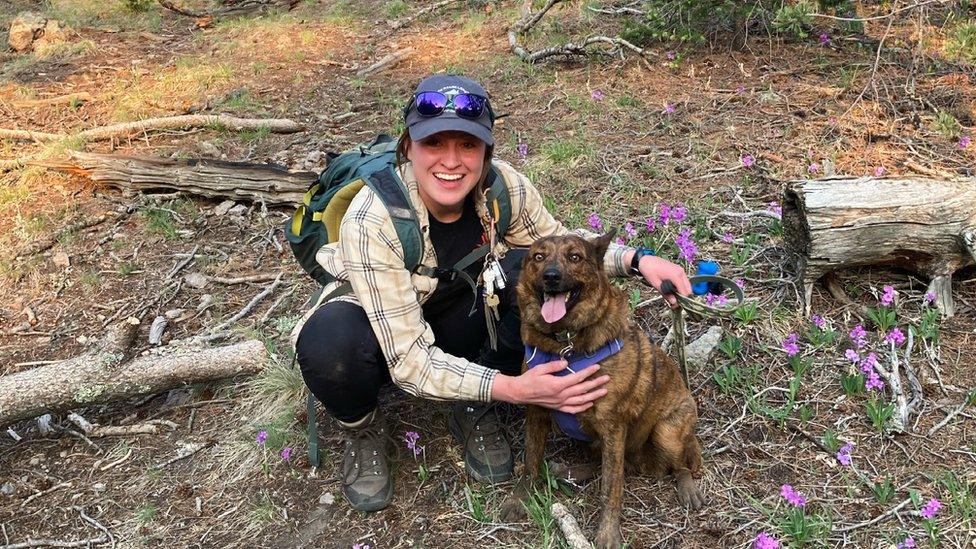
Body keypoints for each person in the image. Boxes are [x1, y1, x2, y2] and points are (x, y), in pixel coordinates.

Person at [295, 74, 692, 512]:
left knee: (531, 267)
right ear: (408, 147)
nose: (451, 161)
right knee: (330, 345)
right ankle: (364, 427)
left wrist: (639, 261)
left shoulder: (503, 187)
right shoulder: (373, 219)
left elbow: (561, 245)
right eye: (434, 143)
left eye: (467, 145)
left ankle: (471, 401)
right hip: (383, 319)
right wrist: (514, 390)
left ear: (486, 150)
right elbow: (409, 360)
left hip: (453, 306)